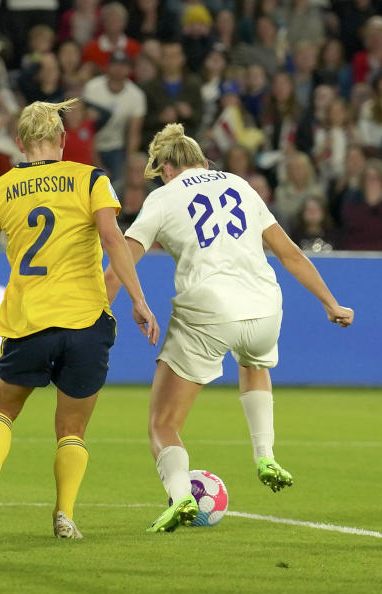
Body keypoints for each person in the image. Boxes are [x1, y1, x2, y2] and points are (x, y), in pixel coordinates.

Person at [104, 123, 353, 532]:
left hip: (209, 308)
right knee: (254, 362)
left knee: (163, 423)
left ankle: (182, 494)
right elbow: (289, 254)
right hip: (265, 306)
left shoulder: (163, 197)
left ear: (165, 168)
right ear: (203, 162)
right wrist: (331, 303)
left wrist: (106, 311)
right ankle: (265, 454)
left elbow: (122, 262)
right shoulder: (240, 184)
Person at [0, 98, 159, 541]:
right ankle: (64, 514)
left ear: (20, 142)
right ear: (62, 140)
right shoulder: (90, 179)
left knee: (0, 410)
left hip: (28, 321)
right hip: (86, 321)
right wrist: (139, 300)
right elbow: (112, 238)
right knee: (72, 429)